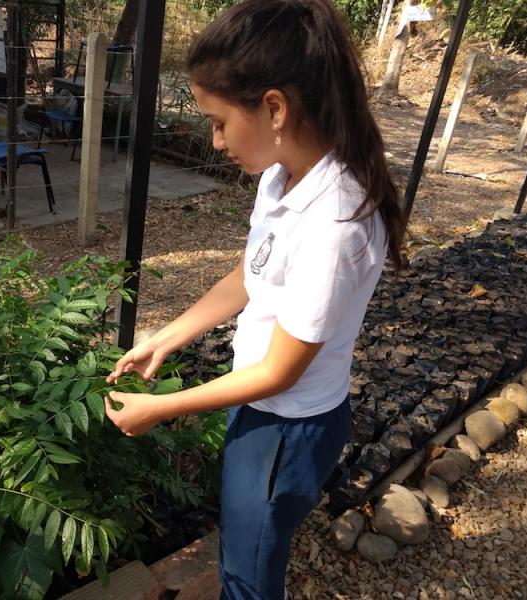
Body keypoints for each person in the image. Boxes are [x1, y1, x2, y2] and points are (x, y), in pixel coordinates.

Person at [104, 1, 407, 598]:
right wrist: (166, 338)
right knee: (246, 544)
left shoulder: (335, 224)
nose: (215, 143)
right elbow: (249, 276)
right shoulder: (281, 178)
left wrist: (160, 408)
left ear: (274, 107)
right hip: (263, 412)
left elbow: (278, 371)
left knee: (249, 566)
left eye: (219, 122)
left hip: (287, 426)